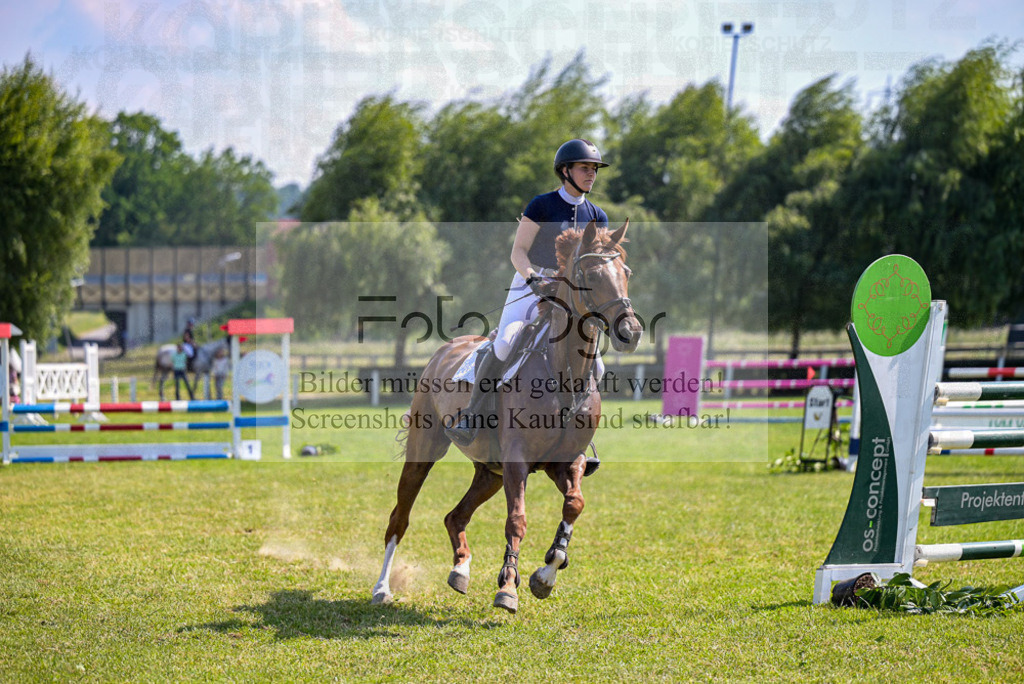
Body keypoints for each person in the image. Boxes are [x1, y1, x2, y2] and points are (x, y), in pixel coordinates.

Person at [445, 138, 610, 472]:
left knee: (598, 365)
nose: (591, 174)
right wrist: (534, 278)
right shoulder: (542, 205)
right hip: (532, 286)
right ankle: (472, 415)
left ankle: (579, 437)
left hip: (571, 295)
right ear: (566, 171)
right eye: (584, 168)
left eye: (593, 169)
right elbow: (518, 251)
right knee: (505, 344)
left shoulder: (598, 215)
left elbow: (599, 263)